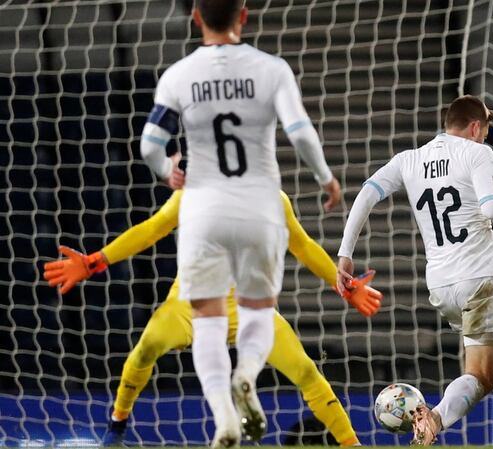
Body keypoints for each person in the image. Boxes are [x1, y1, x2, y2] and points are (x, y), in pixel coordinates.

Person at [136, 0, 341, 445]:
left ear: (196, 18)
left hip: (203, 210)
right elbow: (300, 130)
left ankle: (224, 416)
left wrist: (166, 169)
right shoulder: (272, 69)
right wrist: (326, 178)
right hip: (260, 206)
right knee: (257, 311)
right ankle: (246, 374)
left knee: (206, 320)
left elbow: (150, 144)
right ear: (243, 16)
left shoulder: (179, 75)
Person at [43, 190, 375, 447]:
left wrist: (344, 287)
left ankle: (352, 443)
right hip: (190, 303)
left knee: (303, 368)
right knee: (146, 349)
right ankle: (116, 427)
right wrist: (95, 261)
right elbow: (150, 230)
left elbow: (302, 245)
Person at [335, 95, 493, 446]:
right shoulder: (476, 153)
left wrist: (345, 254)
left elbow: (367, 193)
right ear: (475, 127)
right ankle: (439, 419)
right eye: (485, 129)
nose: (485, 137)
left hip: (442, 286)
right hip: (480, 279)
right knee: (490, 374)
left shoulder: (409, 160)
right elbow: (492, 208)